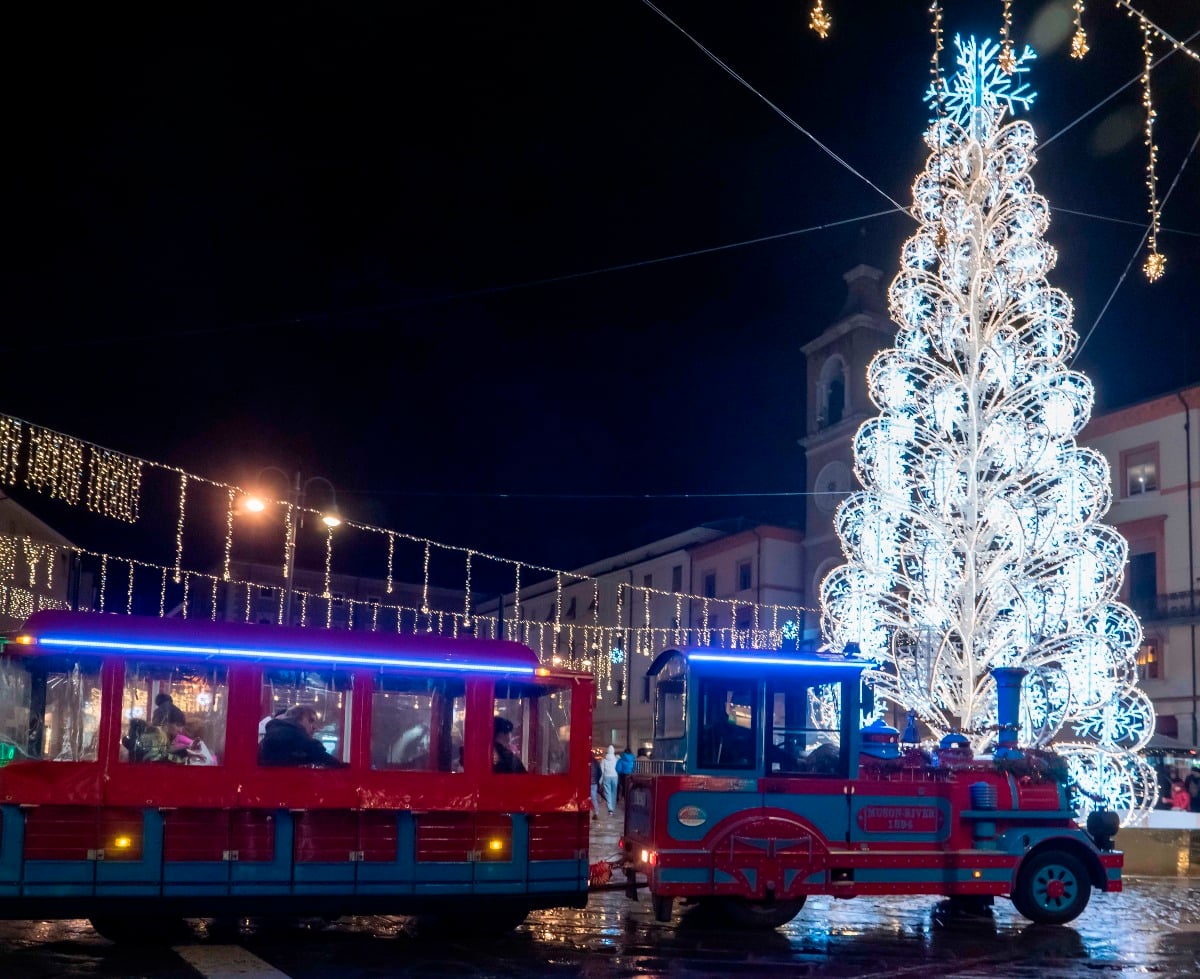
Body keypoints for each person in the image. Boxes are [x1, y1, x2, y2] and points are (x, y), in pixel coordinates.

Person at [258, 704, 345, 767]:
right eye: (311, 721)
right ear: (297, 719)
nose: (314, 727)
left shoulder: (276, 732)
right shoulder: (294, 736)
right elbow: (317, 752)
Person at [600, 744, 618, 815]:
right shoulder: (616, 759)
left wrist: (600, 780)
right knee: (614, 792)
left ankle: (610, 808)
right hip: (615, 776)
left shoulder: (604, 760)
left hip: (606, 776)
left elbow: (602, 770)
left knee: (608, 793)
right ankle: (613, 807)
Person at [589, 750, 602, 820]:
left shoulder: (585, 762)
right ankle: (596, 812)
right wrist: (597, 780)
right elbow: (600, 772)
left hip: (588, 782)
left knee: (587, 798)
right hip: (594, 783)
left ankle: (590, 812)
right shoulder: (596, 762)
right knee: (594, 798)